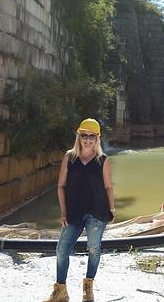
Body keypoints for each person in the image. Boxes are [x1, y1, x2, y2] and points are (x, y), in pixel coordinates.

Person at [45, 118, 115, 302]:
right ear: (79, 136)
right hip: (73, 212)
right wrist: (63, 211)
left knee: (93, 249)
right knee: (61, 250)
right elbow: (61, 186)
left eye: (92, 136)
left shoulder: (103, 160)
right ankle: (60, 290)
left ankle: (88, 287)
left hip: (97, 212)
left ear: (97, 138)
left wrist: (112, 208)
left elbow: (108, 187)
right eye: (84, 135)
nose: (88, 139)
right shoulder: (70, 157)